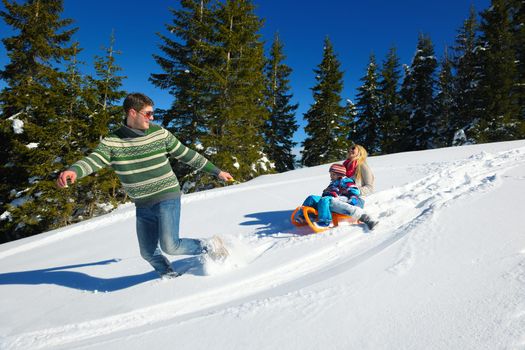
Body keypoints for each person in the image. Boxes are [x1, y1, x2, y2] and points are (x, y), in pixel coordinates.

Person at [57, 93, 234, 279]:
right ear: (133, 113)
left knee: (170, 246)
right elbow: (94, 160)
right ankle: (170, 277)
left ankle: (210, 246)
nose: (152, 118)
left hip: (167, 196)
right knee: (148, 252)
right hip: (142, 204)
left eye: (152, 114)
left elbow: (187, 154)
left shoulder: (159, 133)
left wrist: (217, 171)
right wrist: (75, 170)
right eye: (148, 114)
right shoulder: (112, 142)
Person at [297, 164, 378, 230]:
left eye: (333, 174)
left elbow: (354, 190)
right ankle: (304, 216)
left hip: (341, 199)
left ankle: (325, 221)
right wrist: (325, 192)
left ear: (340, 174)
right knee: (311, 198)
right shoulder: (332, 183)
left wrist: (353, 198)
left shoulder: (346, 181)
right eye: (330, 174)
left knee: (326, 200)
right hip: (327, 200)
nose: (331, 176)